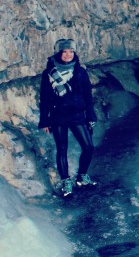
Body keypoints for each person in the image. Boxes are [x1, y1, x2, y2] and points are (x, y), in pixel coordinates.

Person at [38, 38, 97, 197]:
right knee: (62, 149)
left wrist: (90, 113)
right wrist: (44, 119)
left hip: (77, 114)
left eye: (71, 51)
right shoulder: (49, 73)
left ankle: (82, 176)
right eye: (65, 51)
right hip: (58, 116)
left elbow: (87, 95)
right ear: (59, 53)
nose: (68, 55)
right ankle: (66, 181)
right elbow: (45, 98)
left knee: (89, 146)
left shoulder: (80, 71)